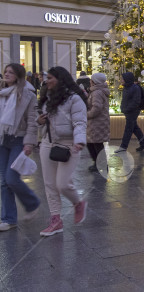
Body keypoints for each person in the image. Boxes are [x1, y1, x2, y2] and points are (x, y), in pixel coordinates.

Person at [37, 66, 88, 237]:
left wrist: (80, 141)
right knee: (50, 185)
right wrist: (40, 121)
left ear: (60, 79)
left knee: (63, 184)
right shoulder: (47, 98)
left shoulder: (74, 99)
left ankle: (78, 203)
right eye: (47, 78)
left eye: (50, 78)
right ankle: (56, 220)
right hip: (47, 143)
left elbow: (80, 122)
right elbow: (41, 120)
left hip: (69, 144)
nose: (47, 81)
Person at [0, 63, 40, 231]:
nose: (7, 74)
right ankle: (9, 219)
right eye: (6, 72)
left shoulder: (28, 94)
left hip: (19, 139)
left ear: (19, 75)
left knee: (11, 178)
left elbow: (32, 121)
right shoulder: (2, 93)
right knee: (3, 182)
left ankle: (32, 203)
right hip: (2, 139)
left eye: (11, 72)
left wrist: (29, 142)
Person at [116, 72, 144, 153]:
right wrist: (123, 108)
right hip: (128, 111)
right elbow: (125, 100)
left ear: (127, 79)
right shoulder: (126, 87)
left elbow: (136, 101)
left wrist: (127, 109)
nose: (121, 80)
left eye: (122, 79)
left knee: (128, 128)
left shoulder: (135, 88)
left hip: (133, 111)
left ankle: (123, 146)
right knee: (134, 127)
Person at [85, 72, 110, 172]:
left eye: (91, 80)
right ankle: (98, 163)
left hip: (96, 122)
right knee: (92, 143)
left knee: (96, 144)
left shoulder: (97, 92)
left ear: (94, 82)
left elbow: (96, 108)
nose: (90, 82)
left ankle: (101, 164)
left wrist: (87, 115)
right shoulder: (97, 91)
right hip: (98, 121)